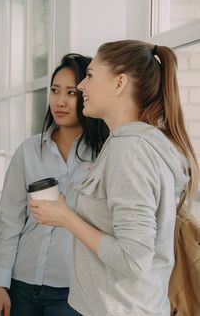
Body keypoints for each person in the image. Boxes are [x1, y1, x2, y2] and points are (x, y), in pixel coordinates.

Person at [30, 40, 199, 315]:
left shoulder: (129, 150)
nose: (82, 85)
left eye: (91, 75)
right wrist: (66, 210)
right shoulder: (135, 142)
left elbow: (133, 257)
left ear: (119, 83)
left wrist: (66, 218)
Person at [0, 53, 109, 316]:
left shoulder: (105, 155)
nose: (60, 101)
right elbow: (8, 220)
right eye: (55, 91)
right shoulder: (29, 151)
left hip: (73, 291)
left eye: (71, 93)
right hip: (21, 283)